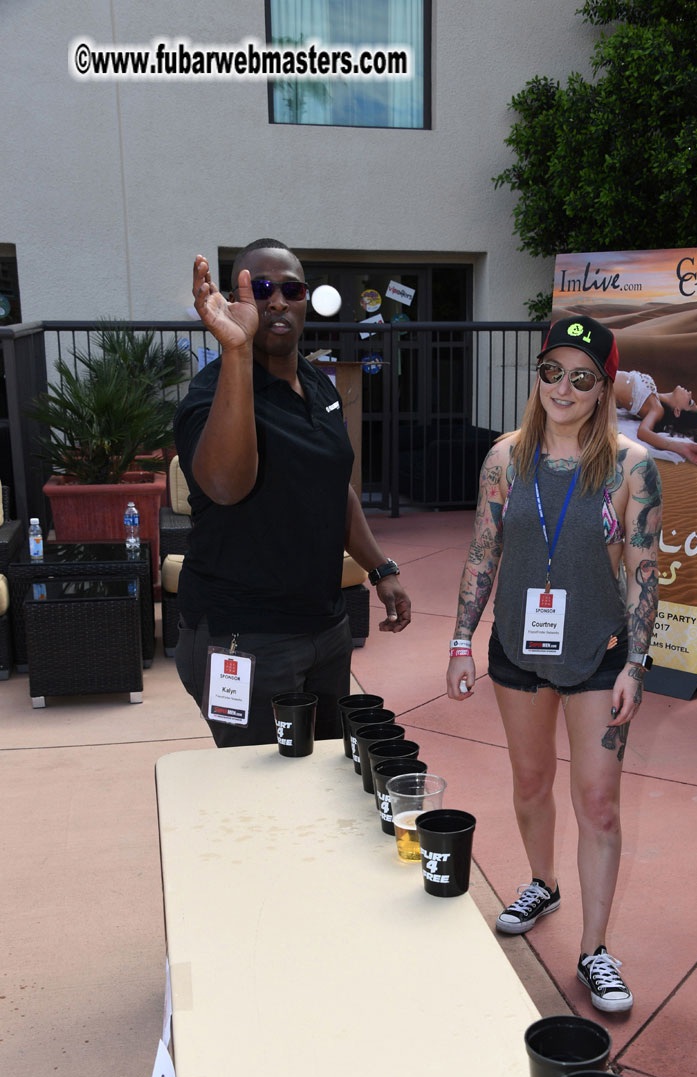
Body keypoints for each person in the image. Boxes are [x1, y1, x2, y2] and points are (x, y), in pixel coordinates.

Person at [446, 316, 661, 1013]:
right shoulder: (504, 459)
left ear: (602, 390)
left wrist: (636, 662)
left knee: (597, 800)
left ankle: (595, 949)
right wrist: (459, 640)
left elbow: (642, 569)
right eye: (551, 372)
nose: (562, 388)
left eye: (581, 377)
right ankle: (542, 880)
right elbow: (482, 552)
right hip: (516, 648)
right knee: (531, 781)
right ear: (535, 376)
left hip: (597, 654)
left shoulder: (633, 466)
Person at [174, 238, 411, 747]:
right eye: (260, 289)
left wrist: (380, 568)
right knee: (257, 799)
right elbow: (225, 486)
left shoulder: (319, 384)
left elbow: (335, 489)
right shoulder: (209, 396)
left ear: (306, 300)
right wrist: (237, 350)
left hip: (325, 628)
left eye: (291, 289)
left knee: (323, 781)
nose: (277, 301)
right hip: (244, 636)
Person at [614, 369, 697, 465]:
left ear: (677, 412)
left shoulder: (657, 409)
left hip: (602, 384)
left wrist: (681, 448)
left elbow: (643, 432)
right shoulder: (655, 398)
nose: (690, 393)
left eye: (689, 402)